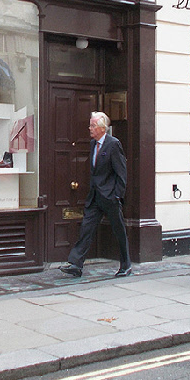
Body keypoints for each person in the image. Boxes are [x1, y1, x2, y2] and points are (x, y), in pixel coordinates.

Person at [60, 112, 132, 278]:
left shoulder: (113, 144)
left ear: (101, 128)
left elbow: (121, 172)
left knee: (119, 230)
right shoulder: (93, 144)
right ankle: (76, 264)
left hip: (110, 197)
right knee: (86, 228)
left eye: (92, 125)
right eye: (90, 125)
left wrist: (117, 196)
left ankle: (126, 264)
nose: (89, 128)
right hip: (95, 197)